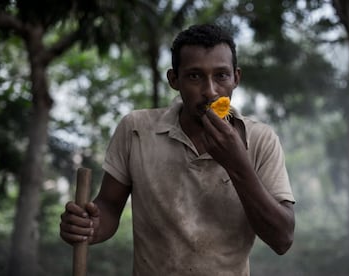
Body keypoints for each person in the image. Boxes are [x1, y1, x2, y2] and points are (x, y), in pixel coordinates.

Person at [60, 23, 295, 275]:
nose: (210, 91)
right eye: (195, 76)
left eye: (221, 76)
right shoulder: (136, 130)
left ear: (236, 78)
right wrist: (90, 226)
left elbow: (282, 239)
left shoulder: (260, 140)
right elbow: (108, 205)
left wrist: (237, 163)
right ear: (174, 79)